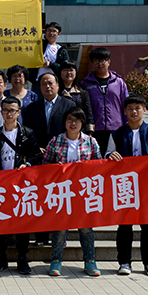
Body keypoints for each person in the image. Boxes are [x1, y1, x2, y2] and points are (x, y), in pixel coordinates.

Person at [106, 94, 148, 277]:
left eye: (137, 108)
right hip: (124, 186)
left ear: (144, 110)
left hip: (147, 186)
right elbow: (108, 154)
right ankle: (124, 262)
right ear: (124, 112)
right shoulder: (117, 134)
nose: (133, 111)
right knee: (124, 226)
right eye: (130, 108)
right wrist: (111, 156)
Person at [0, 96, 41, 274]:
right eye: (6, 110)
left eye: (13, 110)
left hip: (21, 187)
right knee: (0, 223)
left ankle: (22, 258)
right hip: (1, 186)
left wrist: (27, 164)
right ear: (1, 113)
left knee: (22, 224)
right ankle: (1, 257)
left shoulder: (28, 133)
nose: (9, 114)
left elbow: (37, 156)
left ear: (19, 112)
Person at [43, 106, 102, 277]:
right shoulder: (56, 141)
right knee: (61, 228)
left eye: (77, 120)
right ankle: (56, 261)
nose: (73, 123)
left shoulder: (91, 142)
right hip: (62, 192)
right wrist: (56, 168)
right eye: (69, 119)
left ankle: (90, 261)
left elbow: (99, 165)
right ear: (65, 122)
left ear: (82, 123)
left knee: (86, 229)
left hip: (84, 193)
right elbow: (45, 164)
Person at [23, 72, 76, 246]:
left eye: (51, 83)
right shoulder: (32, 108)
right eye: (44, 84)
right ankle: (41, 237)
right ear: (39, 87)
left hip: (61, 159)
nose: (47, 86)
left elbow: (73, 129)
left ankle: (59, 239)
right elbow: (27, 132)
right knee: (40, 198)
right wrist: (35, 148)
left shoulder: (68, 105)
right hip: (39, 158)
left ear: (58, 85)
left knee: (60, 199)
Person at [81, 47, 128, 155]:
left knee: (116, 159)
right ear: (92, 63)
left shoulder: (118, 82)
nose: (99, 64)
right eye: (96, 61)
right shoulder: (86, 83)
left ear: (109, 62)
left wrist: (127, 125)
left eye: (102, 60)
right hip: (95, 130)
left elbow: (125, 105)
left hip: (117, 129)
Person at [31, 22, 69, 98]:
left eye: (54, 31)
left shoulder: (61, 50)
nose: (51, 33)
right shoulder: (37, 46)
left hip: (54, 83)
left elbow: (65, 68)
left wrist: (51, 64)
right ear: (45, 32)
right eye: (49, 30)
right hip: (38, 82)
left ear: (58, 34)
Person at [58, 61, 95, 134]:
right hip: (60, 131)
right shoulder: (56, 92)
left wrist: (89, 132)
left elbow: (88, 113)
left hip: (79, 131)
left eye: (71, 70)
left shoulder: (82, 92)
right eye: (65, 70)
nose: (68, 73)